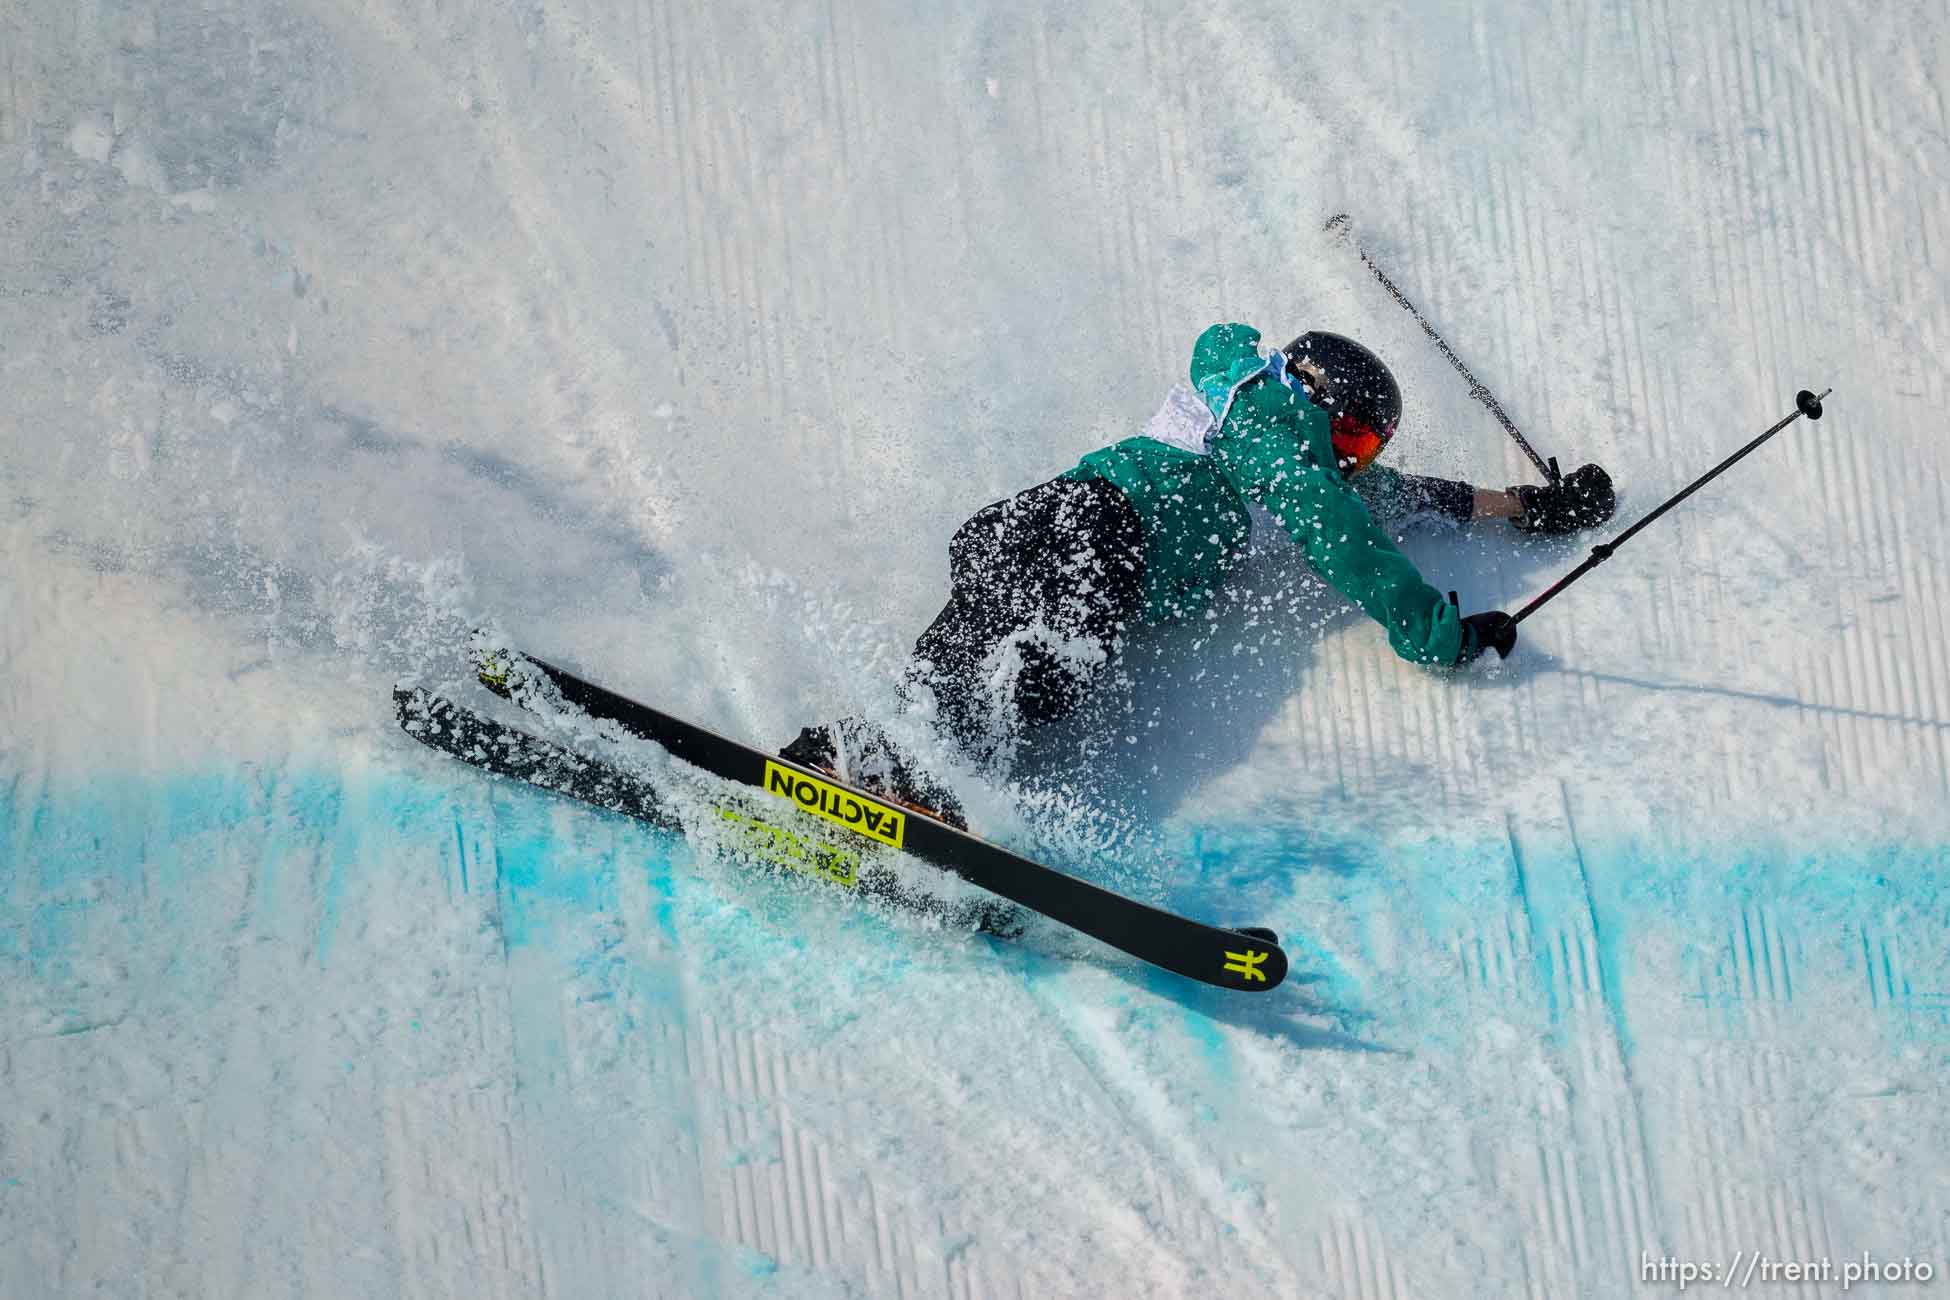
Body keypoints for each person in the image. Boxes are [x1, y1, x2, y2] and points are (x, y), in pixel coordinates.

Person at [782, 323, 1615, 826]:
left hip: (1043, 531)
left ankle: (845, 763)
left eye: (1365, 453)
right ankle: (904, 779)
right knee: (1032, 668)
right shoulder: (1267, 419)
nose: (1353, 465)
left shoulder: (1282, 454)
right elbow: (1345, 533)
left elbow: (1402, 501)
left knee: (994, 668)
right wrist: (1434, 634)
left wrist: (1530, 508)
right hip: (1094, 534)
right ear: (1317, 401)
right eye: (1353, 440)